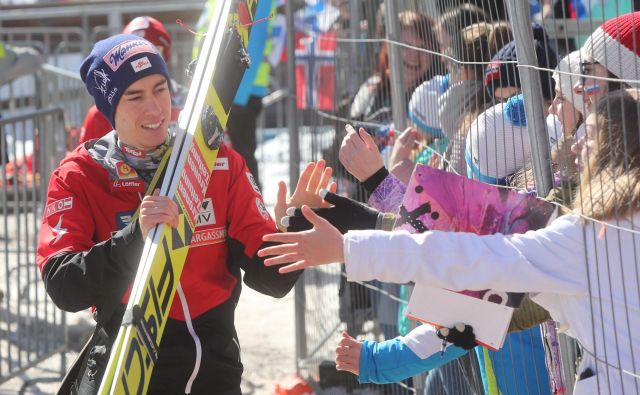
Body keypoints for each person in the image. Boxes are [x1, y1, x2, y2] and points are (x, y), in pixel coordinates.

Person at [259, 87, 640, 394]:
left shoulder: (587, 237)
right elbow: (475, 285)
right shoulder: (597, 230)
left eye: (587, 135)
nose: (574, 144)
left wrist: (348, 241)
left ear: (615, 149)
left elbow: (466, 259)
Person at [36, 34, 323, 394]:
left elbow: (272, 281)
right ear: (109, 107)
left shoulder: (217, 162)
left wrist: (295, 227)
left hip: (215, 369)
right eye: (135, 97)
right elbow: (64, 286)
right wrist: (134, 239)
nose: (155, 109)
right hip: (131, 371)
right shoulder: (80, 175)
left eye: (160, 89)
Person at [78, 16, 181, 144]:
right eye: (135, 97)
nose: (154, 110)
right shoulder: (98, 115)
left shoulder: (193, 101)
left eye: (153, 48)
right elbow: (86, 158)